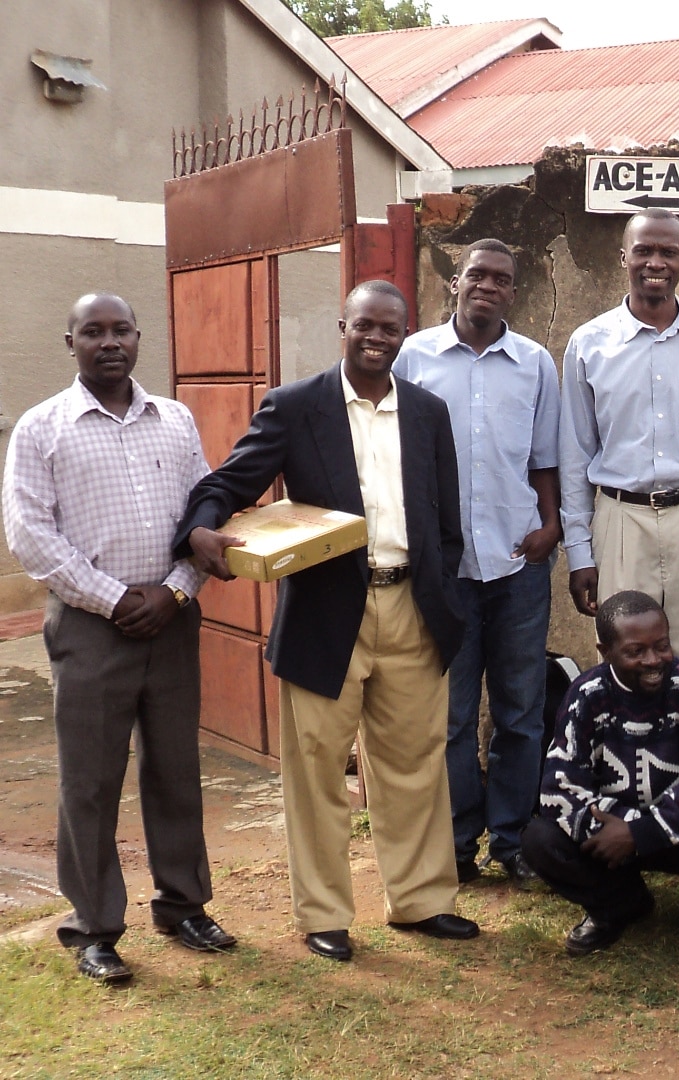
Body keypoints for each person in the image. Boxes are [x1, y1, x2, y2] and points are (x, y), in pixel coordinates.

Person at [176, 280, 476, 963]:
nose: (377, 336)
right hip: (325, 611)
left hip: (413, 609)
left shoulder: (428, 412)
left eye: (390, 327)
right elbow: (227, 484)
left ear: (406, 333)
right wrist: (201, 530)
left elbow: (447, 522)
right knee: (315, 770)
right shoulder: (295, 406)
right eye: (364, 325)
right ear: (342, 325)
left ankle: (423, 899)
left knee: (414, 764)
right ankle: (324, 914)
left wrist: (443, 590)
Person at [2, 293, 234, 983]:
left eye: (121, 330)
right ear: (68, 340)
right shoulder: (43, 428)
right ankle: (95, 927)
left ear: (139, 338)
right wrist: (113, 598)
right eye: (94, 332)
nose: (110, 342)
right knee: (91, 781)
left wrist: (176, 591)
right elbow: (30, 534)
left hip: (171, 618)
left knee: (174, 769)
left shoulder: (175, 419)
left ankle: (183, 904)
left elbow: (204, 505)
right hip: (89, 628)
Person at [395, 238, 562, 889]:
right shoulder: (415, 357)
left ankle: (513, 840)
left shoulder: (534, 363)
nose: (488, 286)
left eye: (502, 278)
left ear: (514, 292)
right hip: (446, 574)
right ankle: (460, 841)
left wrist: (551, 526)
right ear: (455, 284)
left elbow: (544, 456)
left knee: (520, 710)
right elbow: (398, 455)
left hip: (519, 565)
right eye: (477, 275)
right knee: (454, 715)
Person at [559, 208, 679, 737]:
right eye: (644, 250)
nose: (655, 262)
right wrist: (580, 553)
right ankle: (624, 794)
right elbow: (575, 456)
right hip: (620, 519)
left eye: (668, 251)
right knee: (620, 670)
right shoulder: (589, 343)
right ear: (624, 258)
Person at [523, 590, 679, 955]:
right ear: (605, 650)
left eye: (661, 645)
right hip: (610, 839)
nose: (653, 660)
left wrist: (641, 831)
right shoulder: (587, 695)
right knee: (539, 838)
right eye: (635, 651)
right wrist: (618, 828)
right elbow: (558, 790)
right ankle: (618, 905)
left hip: (677, 835)